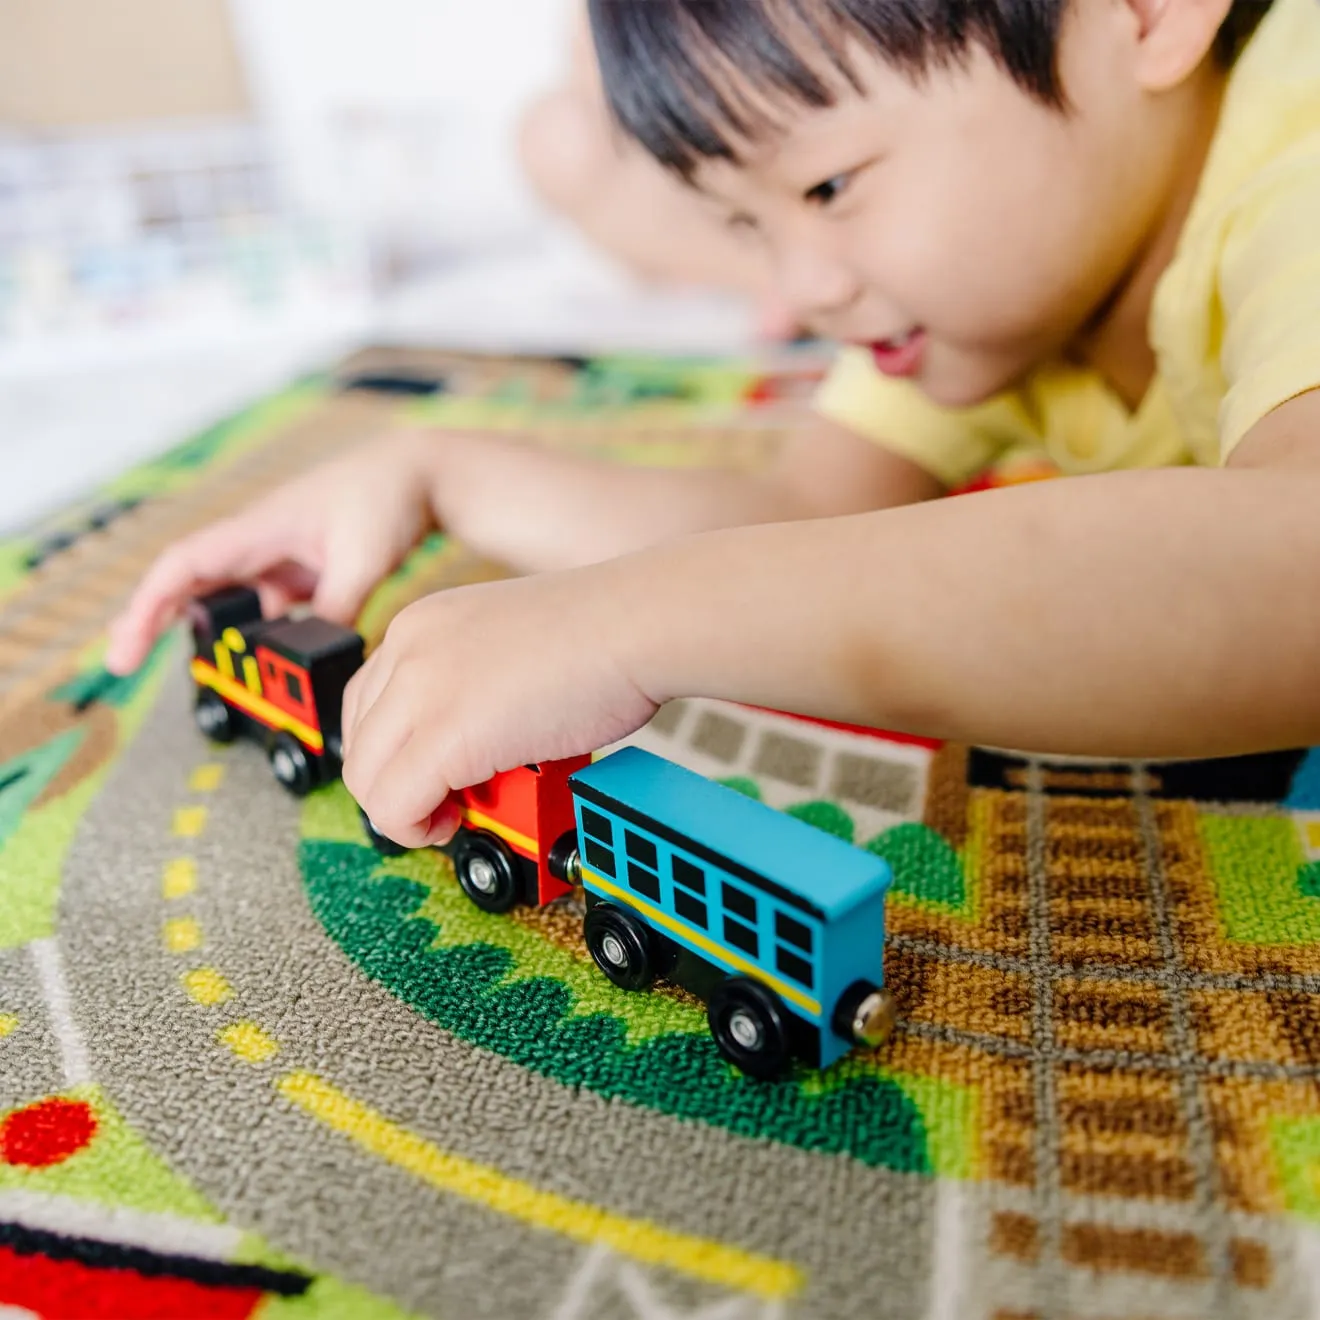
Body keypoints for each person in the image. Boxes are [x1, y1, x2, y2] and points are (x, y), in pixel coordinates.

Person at [106, 0, 1320, 854]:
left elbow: (1293, 571)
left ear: (1148, 11)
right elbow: (798, 512)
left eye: (829, 186)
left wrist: (626, 625)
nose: (800, 290)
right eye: (744, 225)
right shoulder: (995, 303)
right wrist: (436, 468)